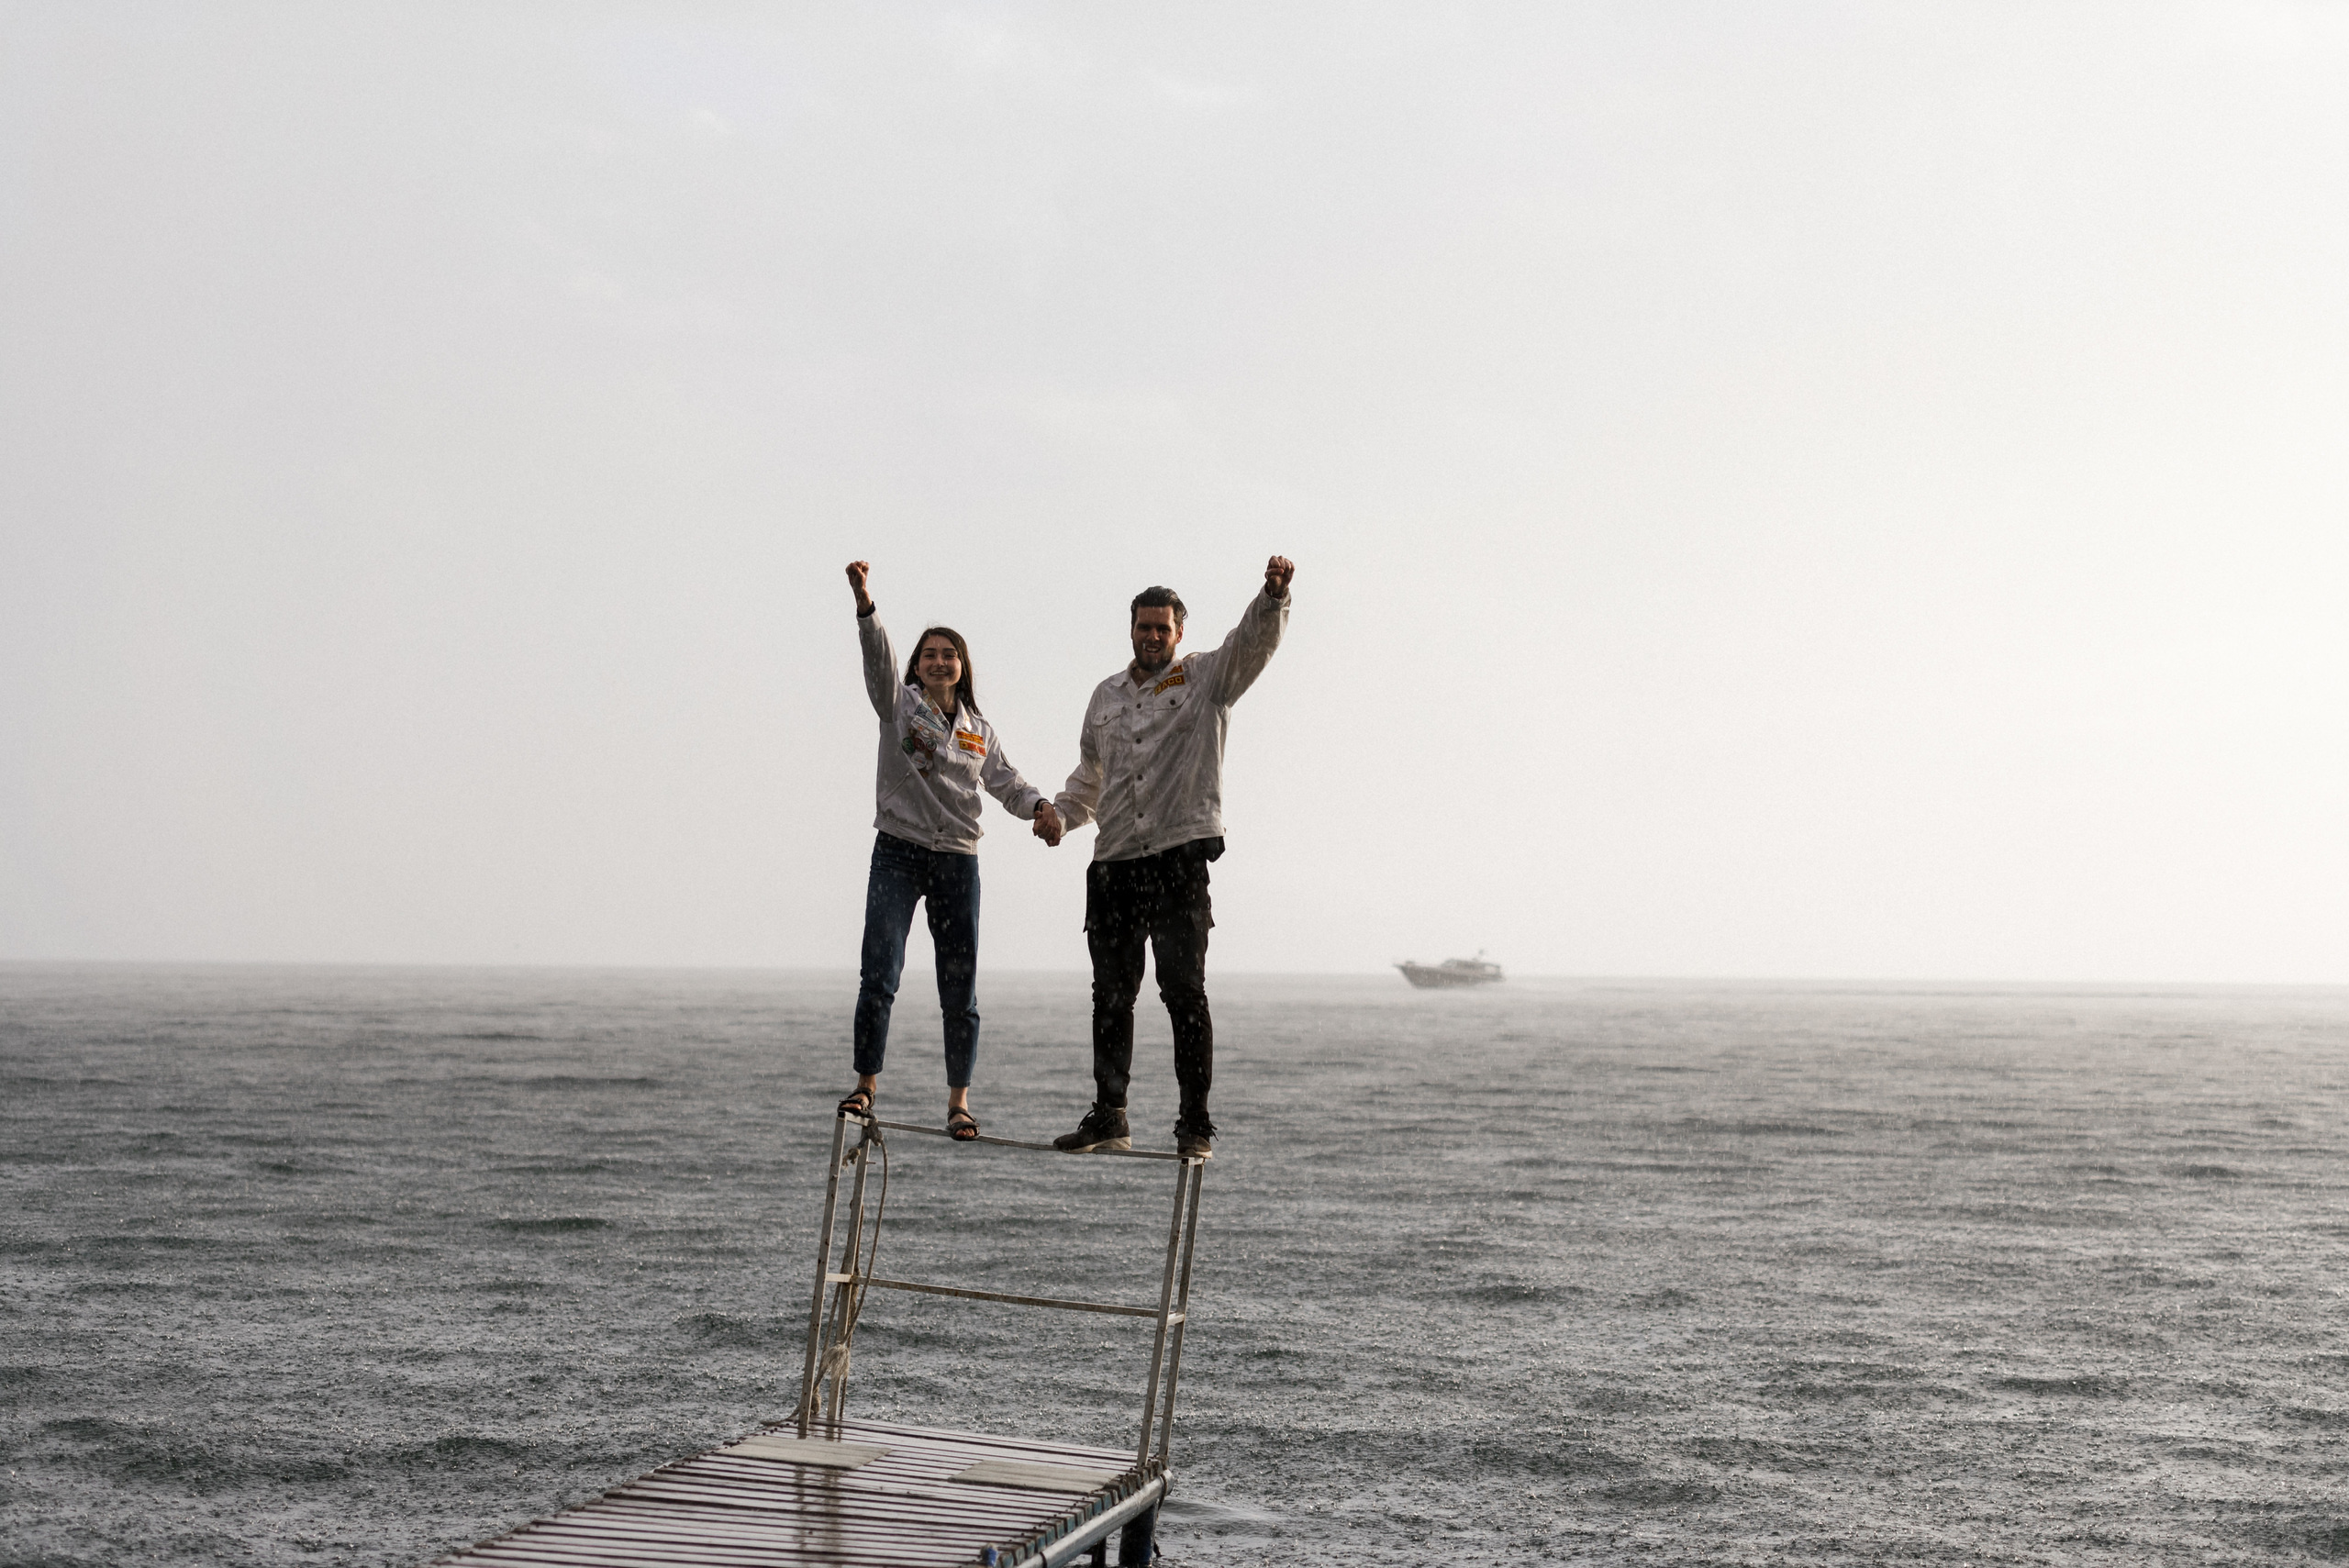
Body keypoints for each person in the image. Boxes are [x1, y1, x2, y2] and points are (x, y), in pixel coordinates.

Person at [1041, 555, 1295, 1160]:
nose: (1152, 636)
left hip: (1180, 857)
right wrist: (1059, 816)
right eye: (1143, 626)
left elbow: (1252, 644)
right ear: (1131, 629)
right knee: (1110, 995)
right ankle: (1110, 1113)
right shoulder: (1105, 695)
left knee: (1183, 992)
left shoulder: (1208, 677)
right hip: (1116, 863)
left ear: (1179, 633)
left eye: (1162, 627)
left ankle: (1195, 1123)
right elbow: (1090, 776)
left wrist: (1272, 595)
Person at [840, 560, 1063, 1140]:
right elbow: (877, 660)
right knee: (879, 972)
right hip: (898, 848)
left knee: (958, 987)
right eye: (930, 653)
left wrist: (1040, 808)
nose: (940, 660)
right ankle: (865, 1087)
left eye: (950, 654)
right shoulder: (898, 704)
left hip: (957, 859)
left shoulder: (977, 729)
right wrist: (867, 604)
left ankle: (959, 1102)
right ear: (916, 664)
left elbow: (1006, 781)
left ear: (962, 668)